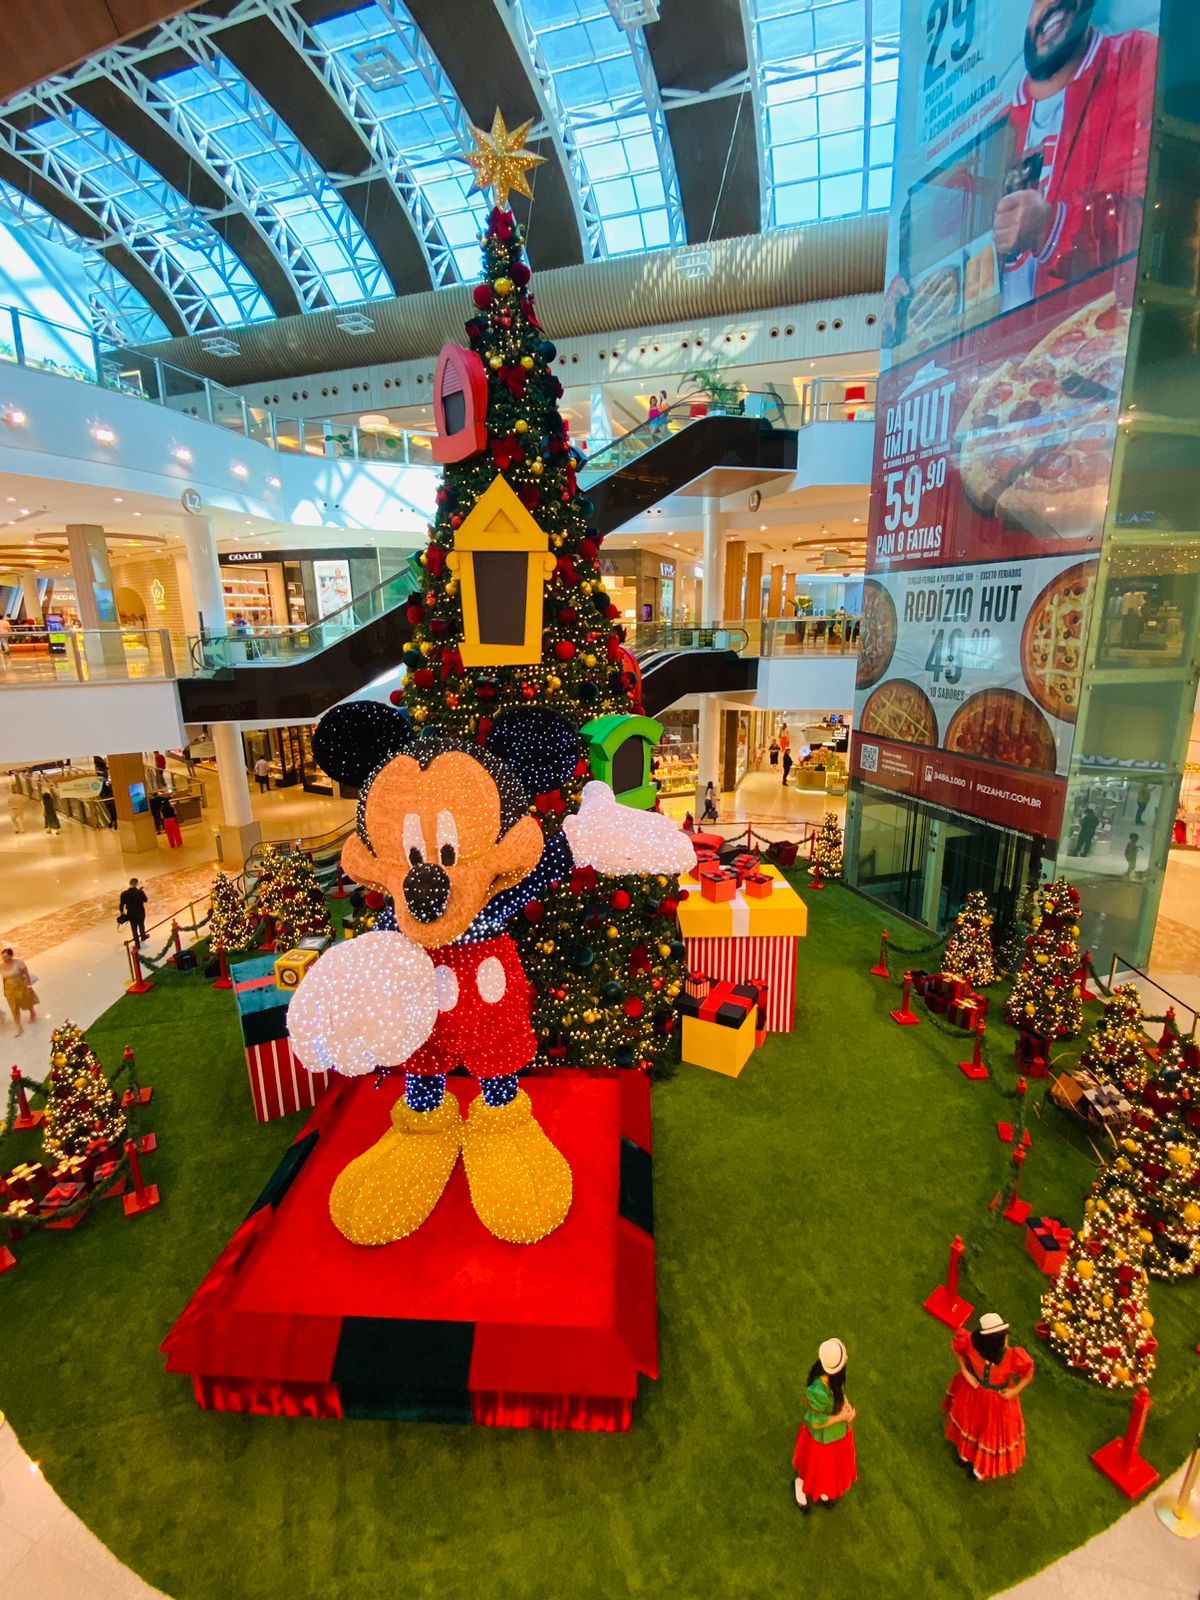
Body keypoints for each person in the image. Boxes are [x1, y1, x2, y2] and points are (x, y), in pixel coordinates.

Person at [994, 1, 1158, 314]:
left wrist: (1051, 228)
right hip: (1000, 357)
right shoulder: (1002, 127)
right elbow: (948, 238)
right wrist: (904, 287)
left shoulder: (1135, 59)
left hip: (1091, 340)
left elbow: (1153, 221)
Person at [943, 1312, 1035, 1481]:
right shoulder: (971, 1344)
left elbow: (1028, 1372)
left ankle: (979, 1468)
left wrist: (1015, 1391)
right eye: (1003, 1338)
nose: (1006, 1341)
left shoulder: (1012, 1356)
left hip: (998, 1402)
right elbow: (958, 1348)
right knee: (970, 1424)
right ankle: (966, 1455)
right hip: (973, 1394)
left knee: (989, 1432)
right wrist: (965, 1370)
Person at [792, 1338, 857, 1510]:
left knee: (827, 1469)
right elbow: (815, 1423)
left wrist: (847, 1407)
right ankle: (801, 1485)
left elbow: (840, 1394)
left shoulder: (832, 1380)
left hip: (834, 1434)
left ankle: (821, 1490)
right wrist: (841, 1417)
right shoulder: (818, 1390)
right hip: (820, 1439)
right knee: (813, 1468)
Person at [1, 948, 38, 1035]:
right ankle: (18, 1026)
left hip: (21, 987)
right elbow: (4, 979)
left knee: (27, 1002)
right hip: (10, 990)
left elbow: (26, 974)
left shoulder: (19, 963)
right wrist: (5, 990)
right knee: (14, 1008)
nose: (4, 959)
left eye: (5, 957)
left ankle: (32, 1013)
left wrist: (29, 986)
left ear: (11, 956)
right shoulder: (1, 966)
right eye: (2, 957)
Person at [119, 878, 148, 945]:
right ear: (136, 884)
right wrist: (140, 891)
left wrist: (122, 911)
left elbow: (121, 904)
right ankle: (143, 936)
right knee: (141, 925)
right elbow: (145, 900)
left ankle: (137, 943)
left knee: (134, 928)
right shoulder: (140, 892)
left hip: (131, 913)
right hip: (140, 912)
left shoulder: (124, 894)